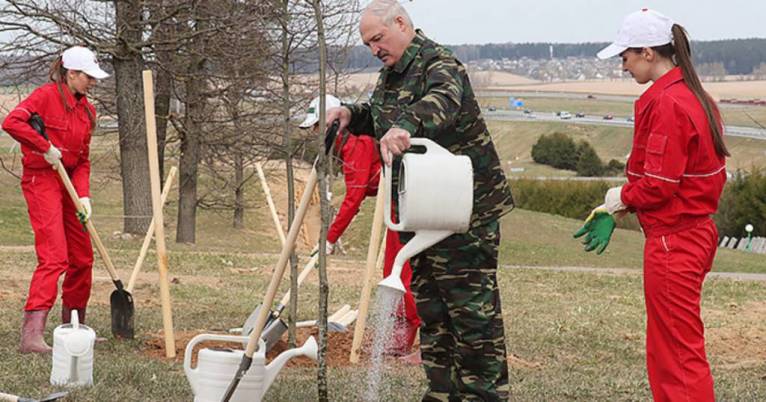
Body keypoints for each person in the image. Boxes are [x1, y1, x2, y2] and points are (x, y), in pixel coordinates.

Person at [325, 1, 515, 399]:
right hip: (424, 207)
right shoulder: (391, 75)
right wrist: (350, 114)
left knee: (471, 312)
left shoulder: (439, 64)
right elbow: (381, 116)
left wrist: (404, 127)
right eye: (368, 44)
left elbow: (440, 104)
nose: (374, 49)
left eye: (378, 38)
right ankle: (441, 390)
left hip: (466, 210)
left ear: (401, 24)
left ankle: (481, 393)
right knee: (432, 309)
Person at [575, 9, 728, 401]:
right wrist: (626, 204)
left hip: (673, 241)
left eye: (625, 57)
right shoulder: (696, 96)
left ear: (647, 52)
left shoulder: (668, 104)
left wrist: (616, 201)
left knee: (677, 352)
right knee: (671, 346)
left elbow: (659, 185)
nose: (623, 66)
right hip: (692, 233)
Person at [2, 46, 109, 354]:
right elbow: (12, 123)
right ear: (71, 74)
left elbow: (83, 160)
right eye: (88, 77)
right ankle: (31, 336)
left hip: (70, 185)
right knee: (54, 257)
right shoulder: (45, 96)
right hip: (42, 180)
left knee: (82, 257)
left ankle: (72, 327)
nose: (93, 82)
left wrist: (84, 195)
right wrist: (43, 145)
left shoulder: (88, 111)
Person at [301, 94, 421, 358]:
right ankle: (401, 331)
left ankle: (410, 336)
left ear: (333, 123)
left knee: (398, 270)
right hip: (395, 199)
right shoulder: (348, 145)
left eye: (317, 126)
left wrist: (330, 239)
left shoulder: (357, 144)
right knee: (396, 268)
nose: (314, 133)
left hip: (403, 200)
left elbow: (354, 197)